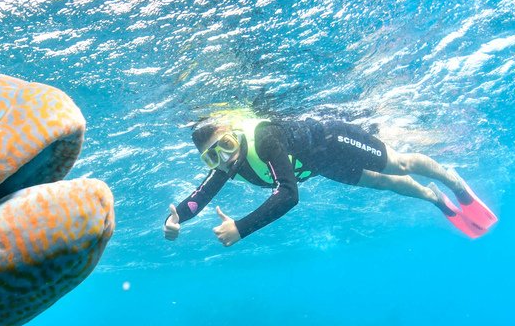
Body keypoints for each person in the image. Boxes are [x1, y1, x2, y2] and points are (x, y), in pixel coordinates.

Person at [163, 105, 497, 246]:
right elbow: (199, 197)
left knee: (399, 165)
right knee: (384, 184)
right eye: (213, 156)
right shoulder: (226, 165)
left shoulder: (263, 138)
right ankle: (434, 197)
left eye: (226, 144)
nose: (224, 156)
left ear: (235, 133)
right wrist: (176, 217)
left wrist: (240, 227)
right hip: (321, 166)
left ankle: (451, 180)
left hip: (331, 139)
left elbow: (289, 194)